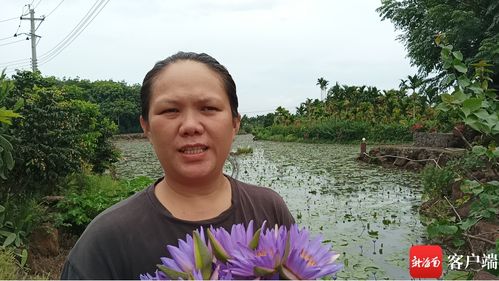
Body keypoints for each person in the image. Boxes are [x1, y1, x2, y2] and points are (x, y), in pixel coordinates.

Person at [60, 52, 295, 280]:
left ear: (235, 123)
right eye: (170, 110)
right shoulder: (105, 241)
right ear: (147, 127)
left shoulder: (269, 210)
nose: (190, 126)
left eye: (209, 108)